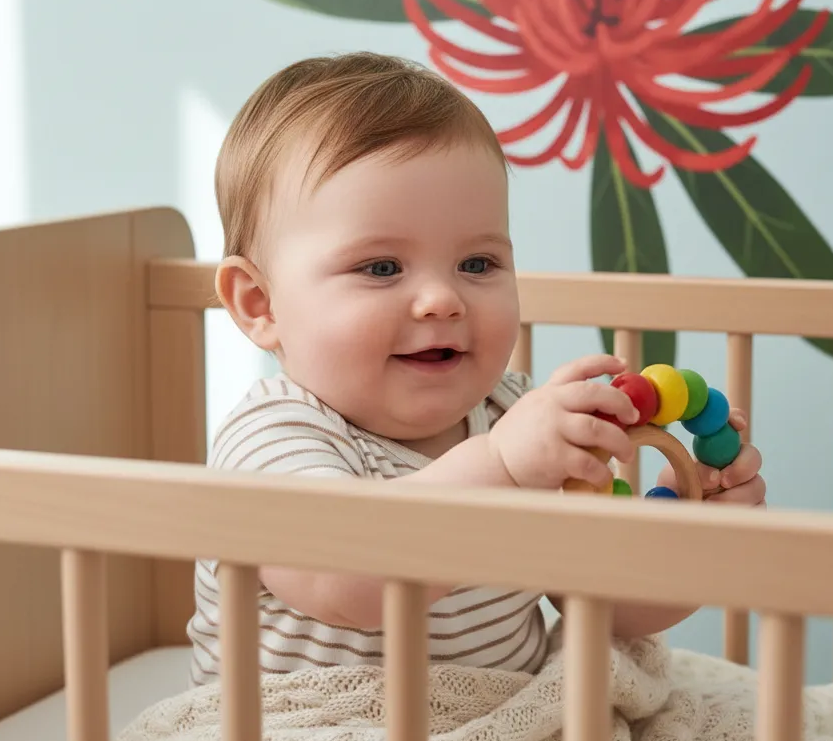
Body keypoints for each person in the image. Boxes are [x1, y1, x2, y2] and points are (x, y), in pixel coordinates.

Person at [186, 52, 766, 685]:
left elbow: (610, 606)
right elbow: (346, 582)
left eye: (478, 264)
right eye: (381, 268)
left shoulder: (513, 418)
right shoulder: (274, 436)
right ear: (260, 304)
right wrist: (504, 467)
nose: (443, 299)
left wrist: (703, 539)